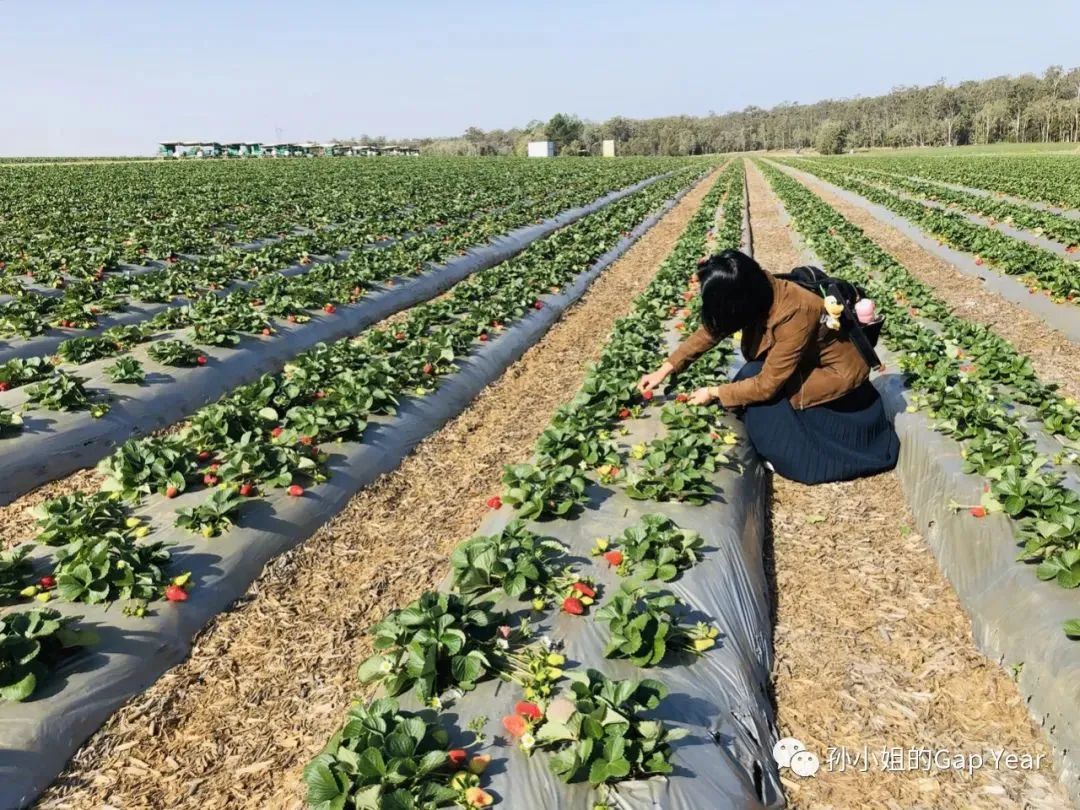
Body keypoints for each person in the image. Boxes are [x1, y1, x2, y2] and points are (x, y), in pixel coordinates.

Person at [637, 249, 899, 485]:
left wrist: (714, 391)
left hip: (835, 371)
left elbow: (766, 385)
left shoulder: (795, 310)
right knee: (747, 382)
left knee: (757, 391)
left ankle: (796, 452)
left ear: (739, 301)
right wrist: (665, 369)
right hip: (807, 359)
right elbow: (712, 330)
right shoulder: (754, 287)